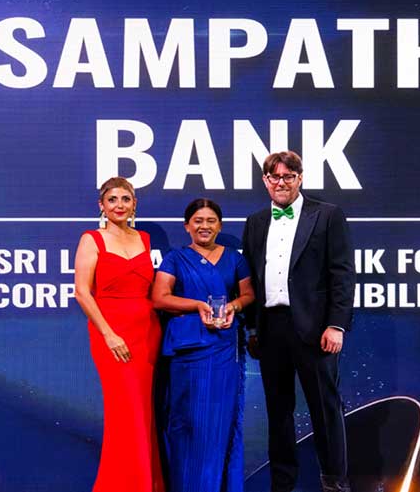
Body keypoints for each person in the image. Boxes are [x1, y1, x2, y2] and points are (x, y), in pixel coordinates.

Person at [241, 151, 355, 492]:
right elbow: (251, 278)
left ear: (300, 178)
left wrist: (336, 324)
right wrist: (252, 327)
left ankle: (335, 484)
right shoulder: (256, 221)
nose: (281, 183)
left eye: (288, 176)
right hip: (270, 329)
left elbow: (342, 274)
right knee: (278, 413)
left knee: (325, 410)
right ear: (265, 181)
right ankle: (282, 485)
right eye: (274, 177)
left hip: (315, 330)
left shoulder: (327, 215)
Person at [152, 198, 255, 492]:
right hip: (187, 353)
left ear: (219, 226)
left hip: (223, 349)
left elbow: (248, 294)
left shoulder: (234, 258)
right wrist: (197, 305)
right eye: (198, 221)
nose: (204, 226)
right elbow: (160, 297)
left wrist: (233, 306)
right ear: (187, 226)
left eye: (211, 221)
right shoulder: (175, 258)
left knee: (219, 423)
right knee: (186, 422)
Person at [74, 177, 165, 492]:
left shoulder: (144, 238)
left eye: (125, 199)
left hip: (146, 333)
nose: (119, 205)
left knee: (143, 413)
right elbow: (82, 293)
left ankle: (146, 482)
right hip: (111, 333)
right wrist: (109, 335)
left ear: (134, 204)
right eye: (112, 199)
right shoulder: (92, 239)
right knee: (124, 413)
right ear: (101, 205)